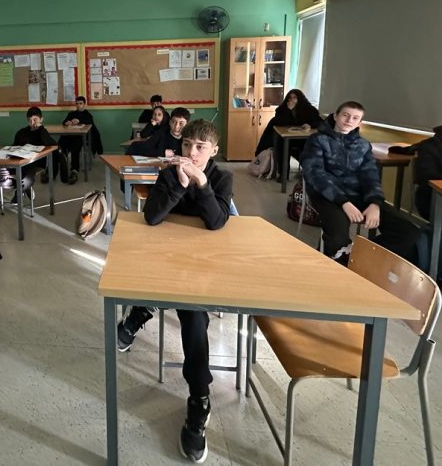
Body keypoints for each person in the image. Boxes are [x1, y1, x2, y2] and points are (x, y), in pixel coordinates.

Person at [118, 119, 232, 463]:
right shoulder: (169, 174)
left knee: (194, 318)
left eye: (200, 147)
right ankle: (142, 308)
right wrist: (181, 184)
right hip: (166, 259)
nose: (191, 152)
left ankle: (199, 397)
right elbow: (152, 218)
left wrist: (201, 183)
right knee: (145, 279)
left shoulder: (222, 177)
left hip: (203, 265)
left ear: (213, 150)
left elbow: (217, 222)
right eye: (186, 145)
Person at [301, 101, 383, 264]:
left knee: (407, 233)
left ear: (360, 123)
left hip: (357, 195)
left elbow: (371, 175)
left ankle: (362, 257)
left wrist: (375, 203)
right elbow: (315, 175)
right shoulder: (317, 140)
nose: (349, 120)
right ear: (335, 116)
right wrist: (343, 202)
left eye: (355, 118)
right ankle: (339, 265)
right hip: (327, 195)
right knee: (338, 235)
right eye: (345, 115)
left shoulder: (363, 145)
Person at [254, 89, 322, 177]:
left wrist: (310, 125)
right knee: (283, 145)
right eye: (290, 98)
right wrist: (289, 111)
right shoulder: (282, 109)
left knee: (310, 147)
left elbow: (319, 122)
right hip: (285, 138)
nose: (292, 100)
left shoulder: (309, 109)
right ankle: (283, 174)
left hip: (302, 138)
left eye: (295, 97)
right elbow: (280, 122)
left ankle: (310, 171)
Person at [12, 106, 68, 185]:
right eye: (30, 120)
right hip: (23, 159)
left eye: (35, 120)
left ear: (41, 119)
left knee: (55, 154)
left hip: (39, 160)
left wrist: (41, 128)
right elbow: (14, 146)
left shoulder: (42, 132)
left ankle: (25, 185)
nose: (32, 123)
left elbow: (53, 145)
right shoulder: (21, 132)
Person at [60, 96, 103, 184]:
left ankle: (74, 170)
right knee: (60, 142)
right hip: (71, 136)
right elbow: (64, 122)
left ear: (84, 104)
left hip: (81, 137)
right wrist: (67, 122)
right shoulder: (72, 113)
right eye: (77, 103)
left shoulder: (88, 114)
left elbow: (89, 122)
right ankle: (59, 164)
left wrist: (78, 120)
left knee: (75, 146)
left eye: (80, 103)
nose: (78, 105)